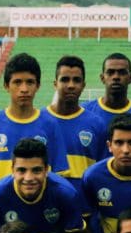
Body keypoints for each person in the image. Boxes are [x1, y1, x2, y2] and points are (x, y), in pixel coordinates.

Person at [0, 52, 69, 198]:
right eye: (17, 82)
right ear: (6, 86)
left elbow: (60, 176)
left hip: (38, 208)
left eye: (30, 82)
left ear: (38, 86)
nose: (24, 89)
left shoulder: (50, 124)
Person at [46, 55, 108, 193]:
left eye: (76, 80)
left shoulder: (97, 124)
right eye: (65, 80)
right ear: (55, 84)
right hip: (47, 207)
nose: (71, 85)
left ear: (83, 85)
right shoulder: (39, 120)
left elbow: (103, 171)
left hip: (85, 208)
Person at [84, 52, 131, 119]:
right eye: (110, 72)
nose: (116, 77)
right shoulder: (85, 111)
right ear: (102, 78)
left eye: (122, 72)